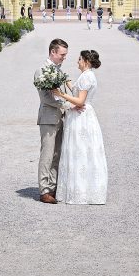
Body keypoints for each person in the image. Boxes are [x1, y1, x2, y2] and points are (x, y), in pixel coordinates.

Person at [52, 49, 107, 205]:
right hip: (85, 115)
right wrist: (65, 80)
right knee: (85, 150)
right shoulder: (87, 76)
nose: (77, 61)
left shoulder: (86, 77)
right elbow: (76, 91)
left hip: (81, 116)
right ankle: (88, 189)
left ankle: (80, 190)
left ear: (86, 61)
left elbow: (80, 101)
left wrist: (59, 94)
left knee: (79, 150)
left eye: (79, 59)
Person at [35, 39, 69, 204]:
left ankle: (53, 187)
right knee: (47, 155)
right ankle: (44, 190)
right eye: (62, 54)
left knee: (57, 154)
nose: (64, 58)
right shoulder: (42, 71)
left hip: (60, 117)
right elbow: (46, 97)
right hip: (48, 118)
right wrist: (67, 105)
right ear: (53, 52)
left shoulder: (58, 71)